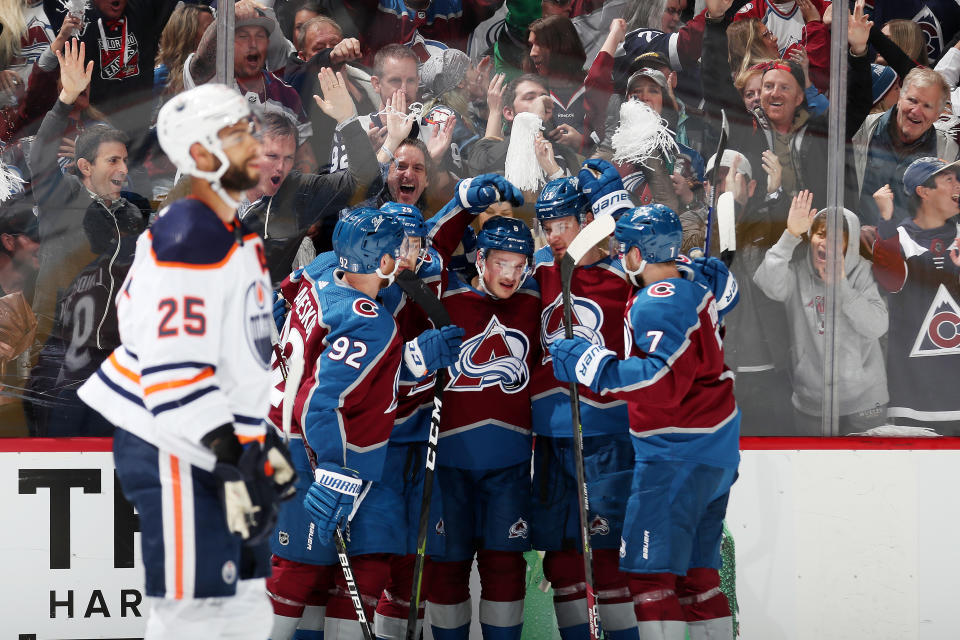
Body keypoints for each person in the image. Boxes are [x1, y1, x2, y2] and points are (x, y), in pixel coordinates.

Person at [76, 82, 295, 639]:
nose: (256, 146)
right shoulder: (188, 235)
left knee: (244, 604)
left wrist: (257, 439)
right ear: (200, 155)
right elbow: (174, 371)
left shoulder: (225, 234)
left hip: (209, 440)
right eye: (239, 135)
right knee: (194, 612)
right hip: (175, 444)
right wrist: (231, 452)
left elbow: (232, 361)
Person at [550, 204, 739, 640]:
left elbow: (660, 377)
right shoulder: (692, 286)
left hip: (676, 455)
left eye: (622, 251)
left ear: (638, 254)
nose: (618, 259)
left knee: (650, 580)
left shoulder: (660, 299)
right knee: (698, 579)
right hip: (712, 452)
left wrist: (593, 366)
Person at [528, 171, 638, 640]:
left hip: (605, 438)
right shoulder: (537, 274)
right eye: (546, 225)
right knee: (563, 561)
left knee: (608, 559)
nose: (553, 236)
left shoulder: (623, 280)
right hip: (551, 440)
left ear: (587, 220)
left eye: (562, 224)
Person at [426, 215, 541, 640]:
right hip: (448, 465)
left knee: (505, 568)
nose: (511, 275)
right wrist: (461, 203)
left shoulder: (535, 294)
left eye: (519, 264)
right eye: (500, 263)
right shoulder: (446, 291)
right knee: (446, 568)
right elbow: (423, 253)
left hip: (509, 466)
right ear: (479, 258)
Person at [26, 39, 148, 437]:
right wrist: (65, 98)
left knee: (106, 457)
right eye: (113, 160)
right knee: (56, 456)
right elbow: (41, 154)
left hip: (116, 359)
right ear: (83, 166)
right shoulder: (61, 197)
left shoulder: (132, 213)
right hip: (59, 351)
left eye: (125, 160)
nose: (124, 169)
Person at [753, 190, 888, 435]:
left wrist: (842, 286)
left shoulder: (862, 272)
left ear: (850, 244)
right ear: (811, 238)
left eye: (838, 238)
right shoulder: (796, 273)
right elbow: (767, 283)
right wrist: (790, 234)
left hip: (866, 400)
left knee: (870, 472)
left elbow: (877, 326)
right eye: (821, 234)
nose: (827, 243)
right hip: (812, 400)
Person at [241, 67, 379, 286]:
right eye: (272, 156)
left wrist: (348, 121)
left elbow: (365, 183)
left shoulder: (296, 190)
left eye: (288, 158)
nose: (280, 167)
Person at [872, 157, 960, 434]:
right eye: (949, 180)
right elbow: (889, 280)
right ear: (924, 191)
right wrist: (885, 221)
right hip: (914, 399)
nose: (958, 185)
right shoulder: (896, 237)